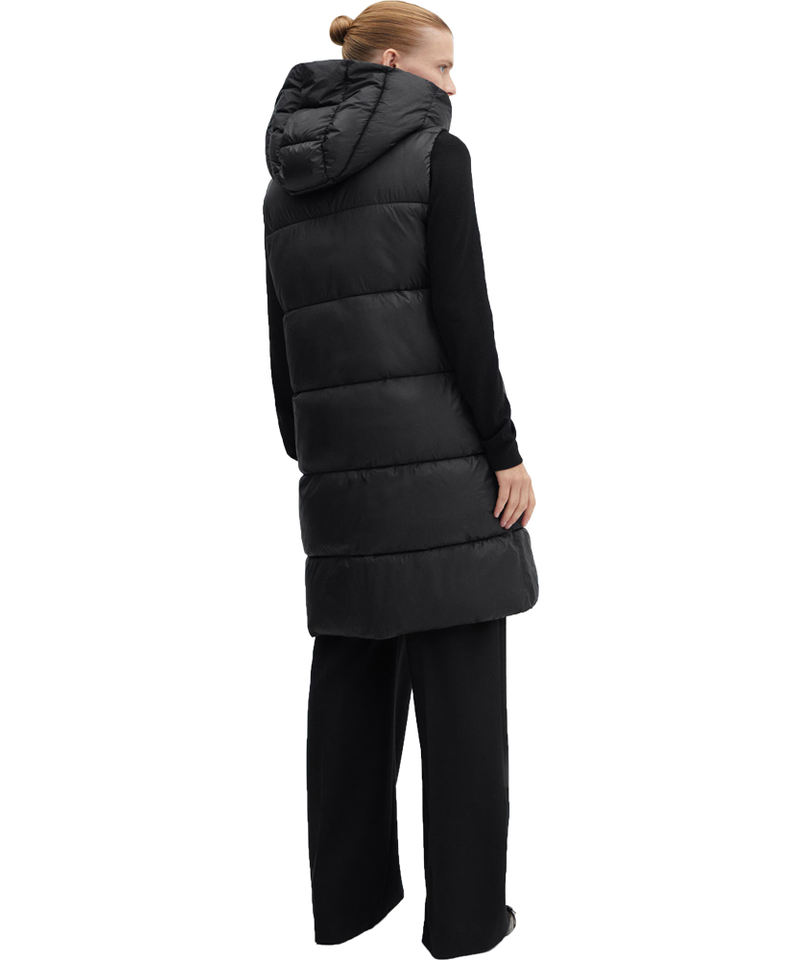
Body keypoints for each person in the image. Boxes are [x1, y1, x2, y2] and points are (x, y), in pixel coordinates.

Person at [263, 3, 539, 956]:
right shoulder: (435, 158)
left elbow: (281, 342)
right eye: (444, 67)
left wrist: (316, 452)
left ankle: (350, 908)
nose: (454, 86)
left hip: (339, 474)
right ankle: (465, 922)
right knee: (464, 711)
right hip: (444, 471)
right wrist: (503, 450)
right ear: (392, 61)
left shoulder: (284, 183)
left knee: (349, 692)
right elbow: (465, 316)